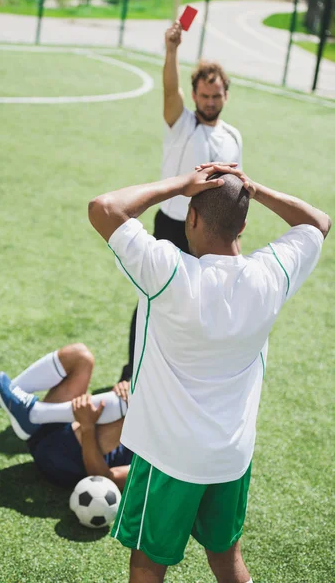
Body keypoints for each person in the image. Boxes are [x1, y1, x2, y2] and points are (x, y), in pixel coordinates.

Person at [88, 162, 331, 582]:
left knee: (147, 565)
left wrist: (181, 184)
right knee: (225, 559)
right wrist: (254, 188)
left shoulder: (169, 275)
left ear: (193, 217)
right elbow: (319, 222)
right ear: (244, 225)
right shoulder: (270, 275)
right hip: (231, 457)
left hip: (169, 457)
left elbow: (104, 207)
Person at [120, 21, 242, 382]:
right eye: (204, 96)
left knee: (201, 305)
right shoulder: (180, 123)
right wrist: (172, 50)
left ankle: (183, 372)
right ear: (194, 96)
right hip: (172, 227)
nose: (209, 102)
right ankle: (132, 374)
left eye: (216, 95)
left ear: (226, 96)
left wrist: (233, 237)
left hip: (214, 235)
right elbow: (169, 88)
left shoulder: (234, 137)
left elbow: (234, 192)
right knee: (153, 300)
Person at [0, 344, 132, 490]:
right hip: (54, 430)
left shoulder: (159, 462)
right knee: (80, 356)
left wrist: (88, 426)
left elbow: (108, 478)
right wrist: (128, 385)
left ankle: (34, 414)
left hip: (65, 460)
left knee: (135, 407)